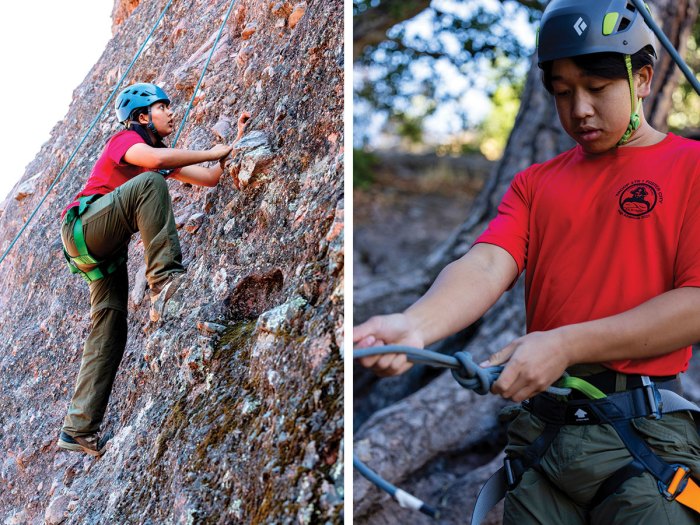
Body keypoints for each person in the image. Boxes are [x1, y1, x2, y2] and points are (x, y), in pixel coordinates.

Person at [355, 1, 700, 523]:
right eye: (562, 93)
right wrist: (415, 324)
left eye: (596, 87)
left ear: (644, 78)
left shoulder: (690, 168)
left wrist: (565, 344)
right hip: (543, 440)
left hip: (645, 440)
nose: (579, 108)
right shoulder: (536, 184)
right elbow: (487, 264)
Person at [58, 82, 250, 456]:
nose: (171, 112)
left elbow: (209, 178)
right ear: (143, 116)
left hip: (99, 251)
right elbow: (156, 165)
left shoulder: (154, 156)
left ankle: (78, 429)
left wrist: (233, 146)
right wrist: (211, 149)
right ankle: (165, 280)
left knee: (110, 327)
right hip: (84, 226)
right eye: (164, 107)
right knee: (148, 182)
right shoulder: (125, 140)